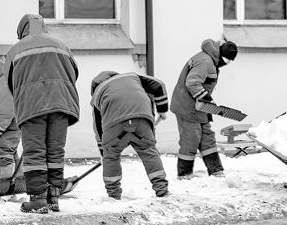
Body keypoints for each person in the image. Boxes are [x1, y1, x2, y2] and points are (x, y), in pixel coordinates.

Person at [6, 14, 79, 213]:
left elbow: (10, 82)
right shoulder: (61, 45)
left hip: (32, 106)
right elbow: (74, 72)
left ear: (22, 31)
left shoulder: (15, 50)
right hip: (61, 103)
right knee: (55, 151)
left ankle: (38, 199)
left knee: (35, 151)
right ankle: (53, 197)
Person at [91, 71, 170, 200]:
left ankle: (113, 195)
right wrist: (162, 109)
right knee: (149, 151)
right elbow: (158, 85)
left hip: (114, 125)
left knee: (111, 156)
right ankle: (162, 189)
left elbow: (98, 127)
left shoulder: (97, 94)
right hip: (141, 120)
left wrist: (104, 152)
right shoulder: (133, 77)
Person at [170, 38, 238, 178]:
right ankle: (184, 173)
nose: (226, 64)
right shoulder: (205, 61)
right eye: (227, 60)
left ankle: (216, 170)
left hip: (199, 107)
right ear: (221, 55)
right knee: (191, 138)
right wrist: (206, 98)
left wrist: (207, 102)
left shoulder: (211, 60)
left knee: (207, 137)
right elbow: (192, 83)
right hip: (187, 107)